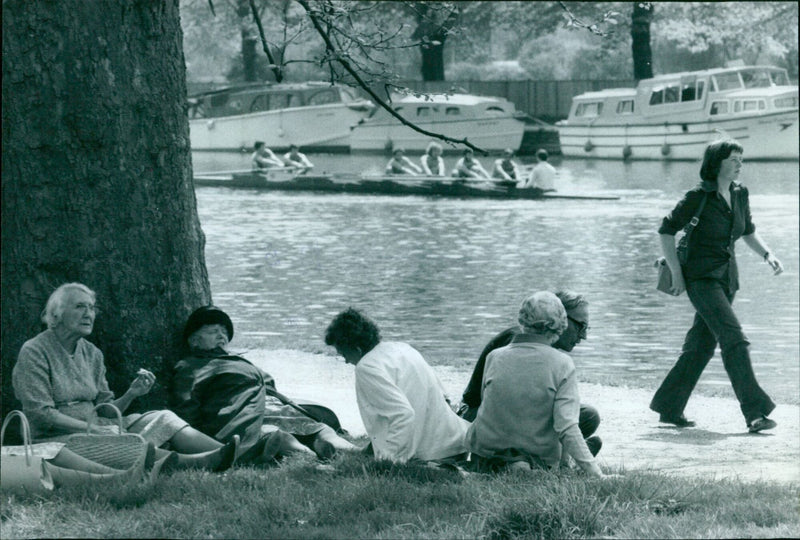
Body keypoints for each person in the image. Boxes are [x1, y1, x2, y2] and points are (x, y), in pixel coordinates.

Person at [11, 283, 238, 474]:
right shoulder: (35, 351)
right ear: (56, 314)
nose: (88, 314)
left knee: (164, 418)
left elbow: (106, 410)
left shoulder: (91, 353)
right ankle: (197, 462)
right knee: (126, 443)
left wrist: (132, 393)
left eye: (91, 308)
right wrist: (93, 429)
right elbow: (40, 414)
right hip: (57, 438)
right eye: (80, 307)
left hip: (98, 427)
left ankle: (235, 454)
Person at [650, 139, 783, 433]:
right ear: (717, 163)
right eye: (734, 159)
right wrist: (676, 273)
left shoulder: (739, 193)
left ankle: (669, 407)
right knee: (734, 339)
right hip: (700, 278)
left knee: (700, 346)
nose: (739, 164)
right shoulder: (697, 196)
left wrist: (768, 254)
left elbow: (747, 231)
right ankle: (755, 412)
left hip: (727, 280)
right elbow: (666, 230)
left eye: (741, 159)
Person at [173, 306, 357, 464]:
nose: (221, 335)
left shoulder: (237, 361)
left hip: (274, 408)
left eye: (224, 332)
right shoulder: (191, 366)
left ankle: (357, 453)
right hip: (240, 415)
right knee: (280, 436)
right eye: (213, 332)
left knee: (320, 429)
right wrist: (199, 438)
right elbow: (187, 404)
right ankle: (311, 460)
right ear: (194, 341)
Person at [465, 292, 605, 477]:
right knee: (569, 419)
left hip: (484, 452)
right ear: (562, 322)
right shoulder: (562, 363)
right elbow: (566, 426)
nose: (584, 335)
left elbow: (492, 408)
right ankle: (528, 463)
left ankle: (511, 462)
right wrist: (596, 473)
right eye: (582, 326)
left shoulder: (495, 356)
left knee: (585, 415)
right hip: (527, 445)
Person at [324, 308, 468, 464]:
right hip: (457, 444)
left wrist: (387, 462)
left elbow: (403, 415)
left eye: (344, 354)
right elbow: (444, 398)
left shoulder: (366, 367)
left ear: (356, 349)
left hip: (433, 455)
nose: (346, 361)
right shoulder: (402, 348)